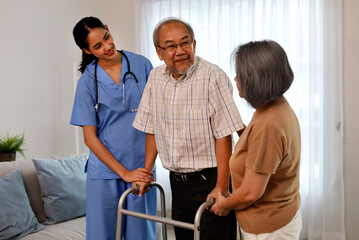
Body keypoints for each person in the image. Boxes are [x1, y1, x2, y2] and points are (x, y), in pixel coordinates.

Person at [132, 17, 245, 240]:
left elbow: (223, 134)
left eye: (185, 43)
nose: (180, 51)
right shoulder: (155, 78)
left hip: (211, 181)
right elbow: (152, 128)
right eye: (171, 46)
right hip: (178, 183)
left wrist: (222, 186)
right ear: (159, 52)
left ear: (194, 44)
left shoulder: (213, 77)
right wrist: (146, 172)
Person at [70, 16, 156, 240]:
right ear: (87, 51)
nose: (107, 46)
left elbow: (155, 122)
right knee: (103, 235)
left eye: (106, 37)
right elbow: (90, 138)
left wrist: (144, 171)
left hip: (140, 169)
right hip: (105, 174)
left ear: (108, 28)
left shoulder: (142, 65)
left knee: (141, 236)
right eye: (97, 46)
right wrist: (124, 173)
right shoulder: (87, 82)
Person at [211, 40, 302, 240]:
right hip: (281, 214)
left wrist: (222, 205)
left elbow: (251, 192)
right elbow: (263, 149)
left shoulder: (268, 124)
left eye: (240, 75)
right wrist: (237, 126)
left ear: (255, 80)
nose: (235, 79)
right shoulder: (275, 106)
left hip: (267, 228)